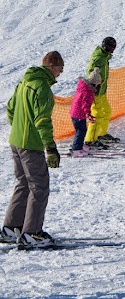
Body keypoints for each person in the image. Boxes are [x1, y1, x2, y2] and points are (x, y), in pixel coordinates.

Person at [0, 51, 64, 248]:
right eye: (60, 70)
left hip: (16, 141)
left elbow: (10, 108)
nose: (60, 74)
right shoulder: (42, 88)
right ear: (51, 67)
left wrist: (19, 128)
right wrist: (50, 148)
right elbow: (42, 121)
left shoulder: (24, 82)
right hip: (30, 145)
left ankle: (12, 228)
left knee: (23, 183)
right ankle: (32, 233)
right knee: (39, 186)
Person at [85, 36, 117, 148]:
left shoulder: (104, 57)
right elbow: (90, 73)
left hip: (102, 91)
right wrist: (93, 87)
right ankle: (90, 140)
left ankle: (101, 134)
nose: (112, 51)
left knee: (107, 111)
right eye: (112, 49)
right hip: (96, 92)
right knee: (97, 115)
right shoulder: (98, 58)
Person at [69, 68, 102, 157]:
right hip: (79, 113)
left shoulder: (83, 87)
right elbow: (85, 105)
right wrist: (88, 114)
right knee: (81, 130)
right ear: (95, 83)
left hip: (75, 112)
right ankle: (76, 149)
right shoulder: (88, 92)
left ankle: (79, 145)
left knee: (80, 130)